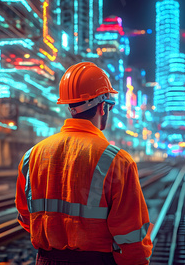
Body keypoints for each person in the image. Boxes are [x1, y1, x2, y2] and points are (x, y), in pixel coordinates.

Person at [15, 62, 153, 264]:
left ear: (70, 107)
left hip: (47, 260)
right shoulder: (117, 160)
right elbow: (130, 235)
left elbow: (26, 217)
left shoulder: (32, 156)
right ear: (103, 107)